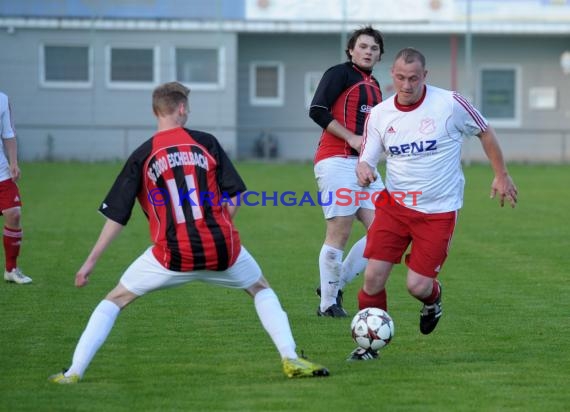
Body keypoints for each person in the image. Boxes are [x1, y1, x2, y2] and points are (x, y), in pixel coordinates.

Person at [48, 82, 329, 383]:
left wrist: (90, 263)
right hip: (222, 248)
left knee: (115, 299)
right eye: (188, 108)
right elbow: (235, 196)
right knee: (260, 288)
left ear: (156, 110)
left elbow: (117, 215)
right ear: (181, 108)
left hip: (172, 254)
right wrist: (221, 226)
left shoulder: (142, 155)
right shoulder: (206, 143)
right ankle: (290, 358)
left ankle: (74, 371)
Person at [351, 47, 518, 360]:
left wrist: (501, 174)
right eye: (400, 77)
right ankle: (368, 348)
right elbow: (368, 157)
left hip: (438, 212)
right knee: (373, 277)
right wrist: (364, 168)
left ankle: (433, 300)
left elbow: (484, 131)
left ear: (424, 76)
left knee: (417, 285)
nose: (407, 84)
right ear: (392, 75)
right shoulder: (380, 114)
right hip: (395, 206)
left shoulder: (449, 104)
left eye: (413, 78)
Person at [309, 25, 386, 317]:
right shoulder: (339, 73)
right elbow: (317, 109)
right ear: (351, 50)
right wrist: (351, 138)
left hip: (365, 165)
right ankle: (328, 304)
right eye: (363, 46)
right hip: (336, 160)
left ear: (380, 55)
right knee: (339, 231)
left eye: (374, 48)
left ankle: (334, 284)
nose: (368, 51)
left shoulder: (375, 84)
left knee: (384, 231)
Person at [0, 91, 32, 285]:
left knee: (14, 214)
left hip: (1, 172)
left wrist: (13, 162)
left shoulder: (2, 99)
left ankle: (11, 269)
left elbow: (8, 133)